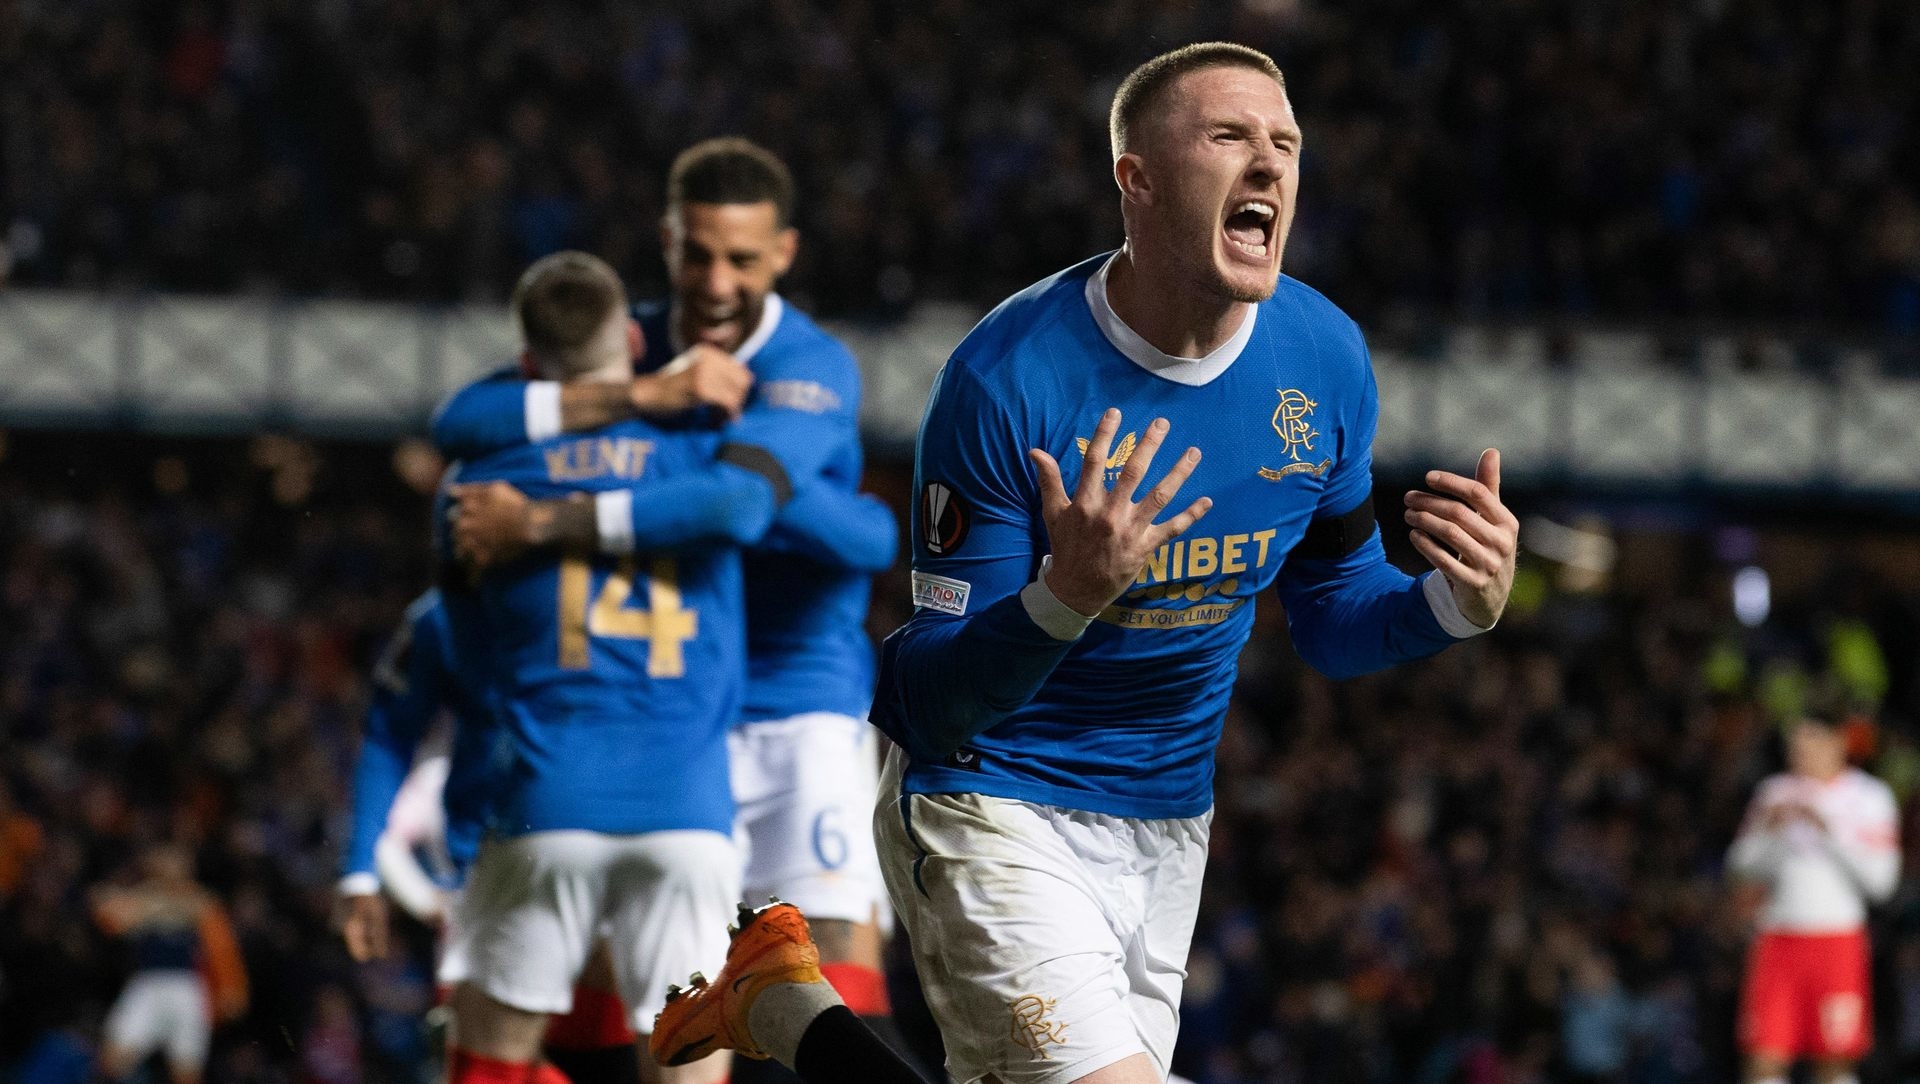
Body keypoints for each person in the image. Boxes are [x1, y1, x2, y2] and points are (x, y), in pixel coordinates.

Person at [842, 42, 1517, 1084]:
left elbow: (1335, 615)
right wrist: (1065, 596)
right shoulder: (1006, 378)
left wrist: (1454, 603)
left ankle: (792, 1014)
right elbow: (921, 699)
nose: (1270, 164)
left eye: (1286, 143)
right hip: (993, 800)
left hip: (1168, 821)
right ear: (1137, 180)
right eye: (1229, 136)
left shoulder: (1324, 359)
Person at [433, 138, 901, 1073]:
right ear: (667, 242)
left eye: (742, 259)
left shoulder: (810, 364)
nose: (717, 281)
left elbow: (731, 505)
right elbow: (463, 422)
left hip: (799, 701)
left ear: (784, 255)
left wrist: (547, 516)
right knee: (645, 1001)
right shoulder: (637, 346)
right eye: (698, 254)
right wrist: (644, 395)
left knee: (832, 967)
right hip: (674, 717)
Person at [336, 589, 640, 1084]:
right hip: (515, 888)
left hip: (536, 883)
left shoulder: (459, 624)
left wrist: (386, 888)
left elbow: (386, 795)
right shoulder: (435, 772)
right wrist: (420, 898)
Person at [1728, 714, 1901, 1084]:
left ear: (1837, 743)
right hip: (1778, 939)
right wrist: (1770, 832)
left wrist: (1829, 831)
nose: (1800, 756)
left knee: (1834, 1063)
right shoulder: (1774, 791)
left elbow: (1882, 883)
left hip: (1837, 941)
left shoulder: (1870, 797)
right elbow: (1741, 865)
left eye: (1810, 745)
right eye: (1795, 748)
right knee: (1762, 1059)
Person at [92, 845, 248, 1084]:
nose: (172, 868)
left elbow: (222, 950)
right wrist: (153, 907)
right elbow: (109, 918)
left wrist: (232, 988)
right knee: (111, 1061)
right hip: (149, 985)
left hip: (187, 989)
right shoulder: (143, 897)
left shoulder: (202, 902)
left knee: (186, 1072)